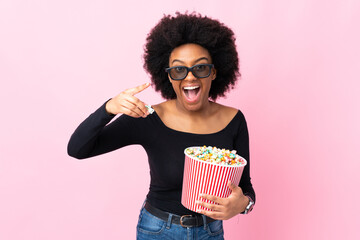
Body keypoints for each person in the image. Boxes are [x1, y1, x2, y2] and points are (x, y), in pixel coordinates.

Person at [68, 12, 255, 240]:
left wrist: (242, 204)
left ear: (214, 72)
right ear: (168, 76)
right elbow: (77, 149)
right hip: (158, 231)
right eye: (179, 69)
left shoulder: (234, 120)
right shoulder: (148, 117)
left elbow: (246, 187)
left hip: (211, 232)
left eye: (200, 68)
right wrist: (109, 108)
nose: (190, 78)